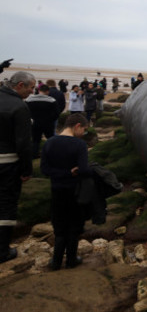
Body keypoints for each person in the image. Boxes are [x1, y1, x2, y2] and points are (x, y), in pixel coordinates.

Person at [40, 113, 91, 270]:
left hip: (57, 189)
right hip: (75, 190)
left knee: (59, 226)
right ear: (77, 126)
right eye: (84, 130)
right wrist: (72, 172)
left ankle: (55, 262)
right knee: (74, 225)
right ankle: (71, 260)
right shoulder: (79, 145)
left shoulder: (49, 143)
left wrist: (62, 173)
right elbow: (83, 170)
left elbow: (45, 170)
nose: (84, 133)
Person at [0, 71, 35, 263]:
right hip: (7, 164)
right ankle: (2, 251)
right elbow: (23, 144)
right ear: (20, 85)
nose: (32, 91)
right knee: (6, 206)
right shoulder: (19, 107)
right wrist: (26, 170)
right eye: (31, 87)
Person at [25, 84, 59, 158]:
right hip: (48, 124)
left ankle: (34, 155)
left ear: (39, 91)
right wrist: (50, 120)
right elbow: (56, 113)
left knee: (35, 140)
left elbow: (25, 111)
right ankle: (51, 154)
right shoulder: (52, 100)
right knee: (50, 139)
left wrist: (31, 119)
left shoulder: (29, 100)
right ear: (47, 91)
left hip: (35, 123)